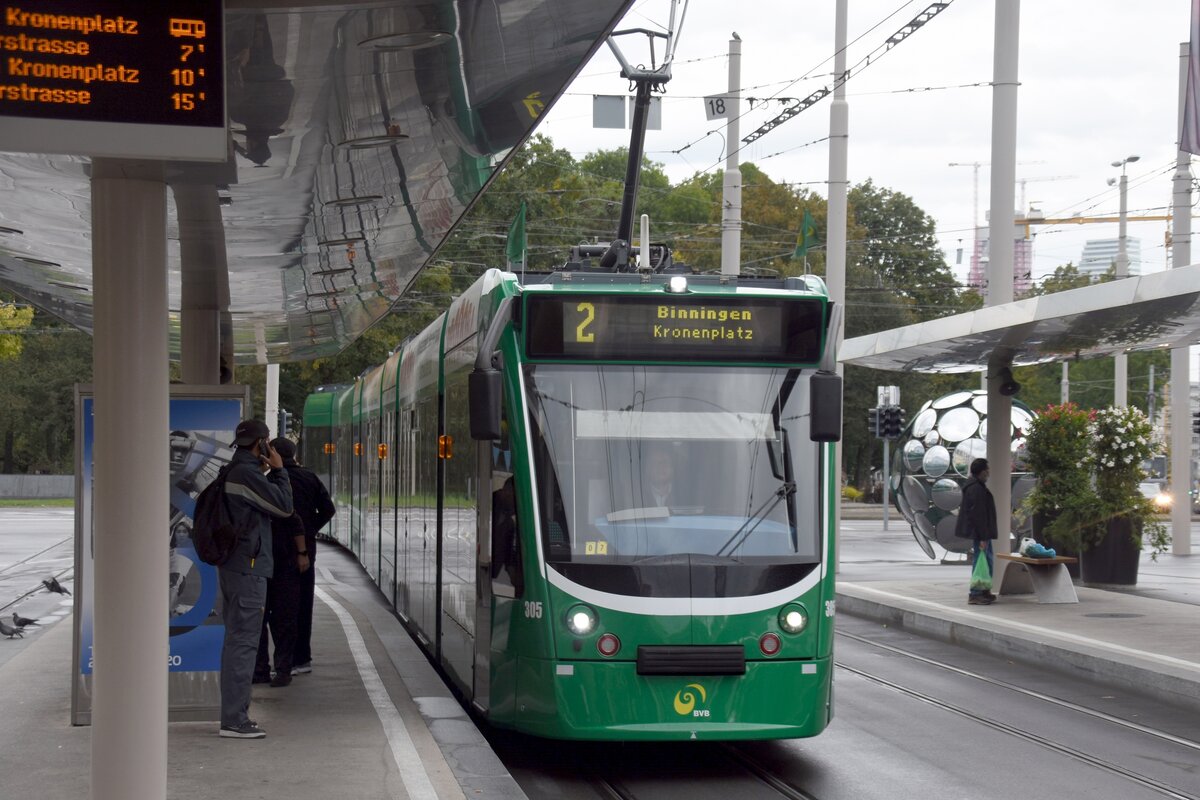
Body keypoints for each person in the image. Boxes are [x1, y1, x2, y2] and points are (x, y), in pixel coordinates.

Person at [218, 419, 294, 739]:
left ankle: (234, 715)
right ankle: (235, 720)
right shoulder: (247, 474)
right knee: (244, 644)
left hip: (235, 567)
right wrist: (279, 470)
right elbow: (284, 506)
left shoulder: (234, 471)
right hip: (248, 569)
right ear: (263, 444)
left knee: (237, 640)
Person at [270, 437, 334, 675]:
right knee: (304, 603)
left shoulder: (271, 481)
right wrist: (310, 530)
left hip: (278, 552)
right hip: (306, 551)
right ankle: (302, 658)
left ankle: (284, 659)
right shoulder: (310, 477)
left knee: (281, 608)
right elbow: (329, 509)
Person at [254, 510, 308, 687]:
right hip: (259, 568)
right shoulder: (252, 502)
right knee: (258, 620)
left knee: (284, 619)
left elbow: (296, 523)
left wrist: (302, 553)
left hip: (284, 567)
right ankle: (261, 669)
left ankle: (283, 670)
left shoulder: (280, 501)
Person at [955, 457, 998, 606]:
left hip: (982, 532)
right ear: (982, 472)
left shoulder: (976, 486)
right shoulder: (976, 489)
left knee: (986, 561)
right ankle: (975, 593)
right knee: (981, 561)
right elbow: (978, 514)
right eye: (988, 469)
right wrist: (983, 537)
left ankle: (984, 590)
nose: (989, 472)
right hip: (981, 533)